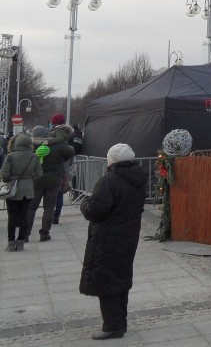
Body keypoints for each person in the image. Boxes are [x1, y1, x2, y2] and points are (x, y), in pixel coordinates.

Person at [79, 143, 147, 340]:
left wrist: (85, 203)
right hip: (128, 235)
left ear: (113, 160)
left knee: (106, 279)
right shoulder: (138, 178)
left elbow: (95, 210)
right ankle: (120, 322)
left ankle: (112, 326)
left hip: (108, 236)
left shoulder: (110, 181)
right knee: (120, 277)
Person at [25, 124, 75, 242]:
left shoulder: (31, 144)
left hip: (36, 180)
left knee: (31, 207)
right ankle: (44, 233)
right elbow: (70, 152)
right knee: (49, 208)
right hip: (53, 180)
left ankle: (25, 234)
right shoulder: (58, 145)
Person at [1, 134, 42, 251]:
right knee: (24, 217)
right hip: (28, 190)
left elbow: (4, 174)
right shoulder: (34, 157)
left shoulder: (10, 156)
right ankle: (21, 243)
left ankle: (10, 243)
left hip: (13, 190)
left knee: (12, 217)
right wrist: (28, 178)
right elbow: (39, 174)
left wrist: (8, 179)